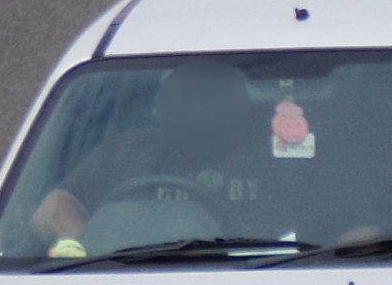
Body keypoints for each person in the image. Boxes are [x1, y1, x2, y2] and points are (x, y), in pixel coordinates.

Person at [32, 62, 270, 248]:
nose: (191, 109)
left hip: (241, 275)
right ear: (160, 107)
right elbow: (53, 209)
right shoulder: (127, 150)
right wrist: (88, 247)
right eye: (180, 97)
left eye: (207, 97)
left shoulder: (272, 161)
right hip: (118, 276)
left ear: (238, 108)